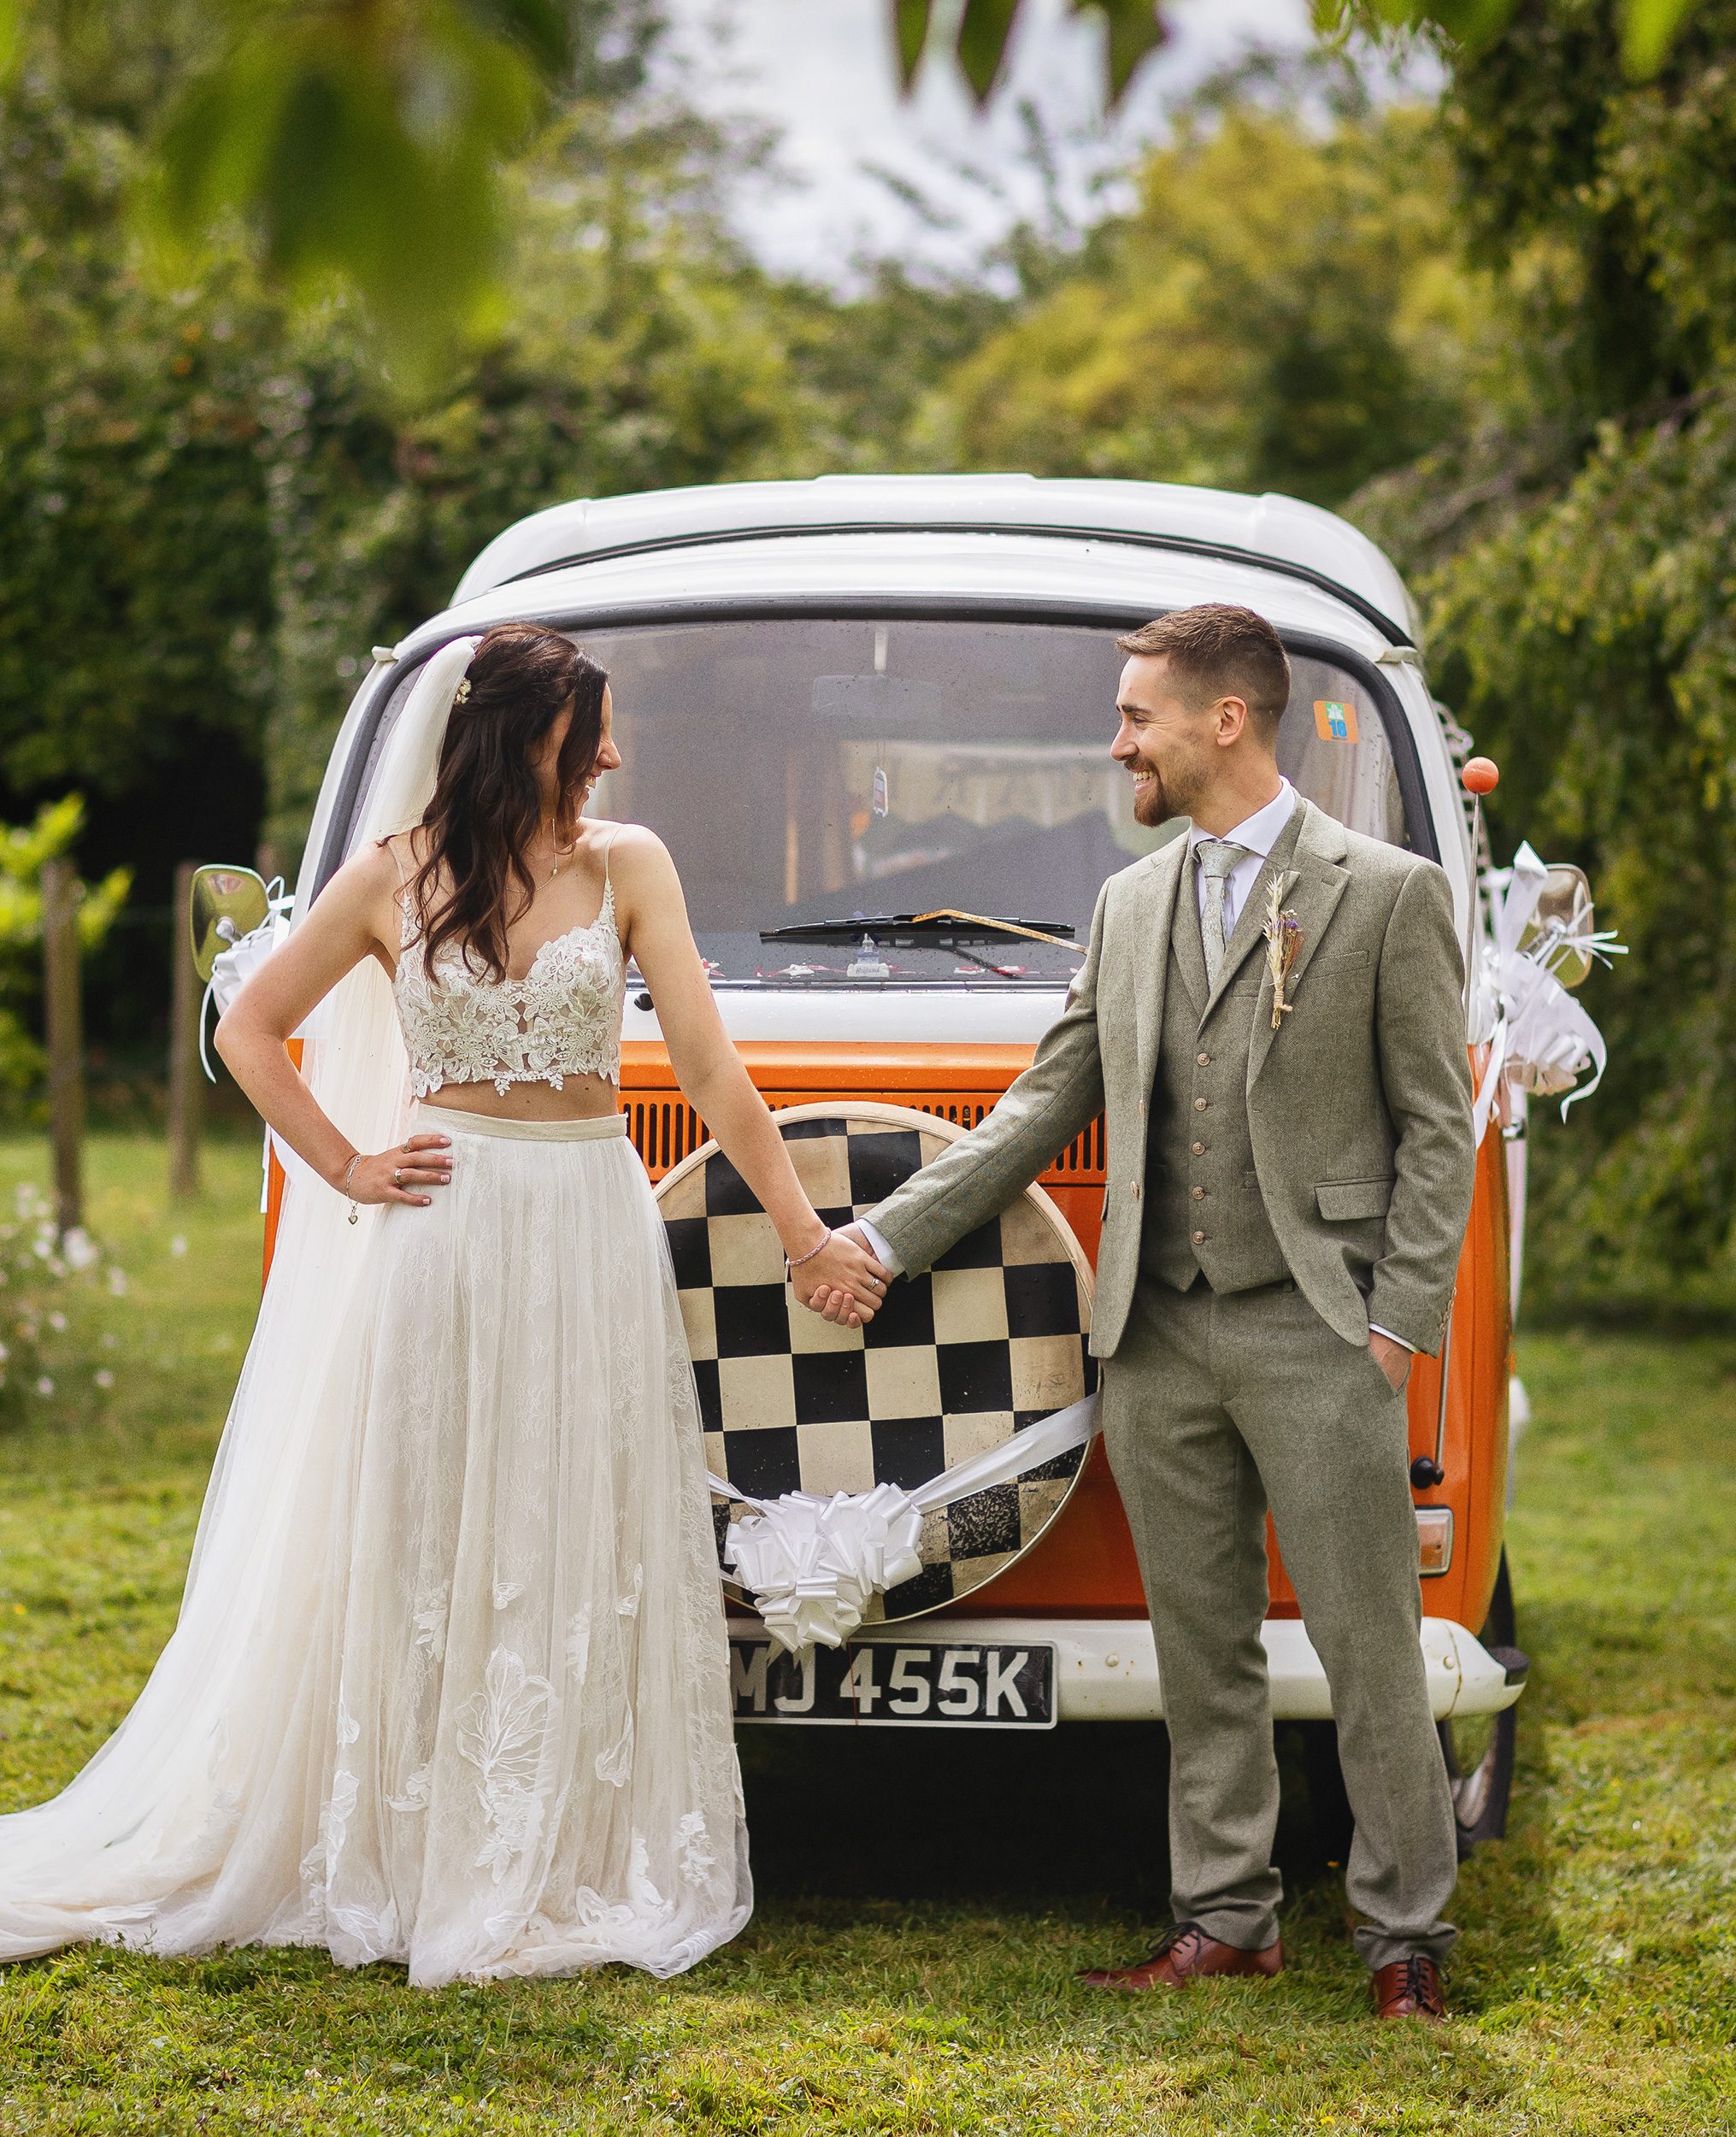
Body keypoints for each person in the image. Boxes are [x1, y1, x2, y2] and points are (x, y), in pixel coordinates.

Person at [0, 621, 886, 1987]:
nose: (609, 751)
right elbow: (247, 1028)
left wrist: (804, 1232)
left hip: (590, 1221)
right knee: (432, 1516)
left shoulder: (627, 863)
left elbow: (712, 1070)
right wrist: (347, 1161)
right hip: (450, 1222)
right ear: (520, 732)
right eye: (588, 726)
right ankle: (418, 1844)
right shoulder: (389, 877)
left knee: (569, 1515)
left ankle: (562, 1839)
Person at [815, 603, 1475, 2022]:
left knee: (1369, 1648)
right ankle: (1225, 1917)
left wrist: (1396, 1324)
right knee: (1202, 1648)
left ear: (1221, 721)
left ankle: (1405, 1935)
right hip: (1158, 1337)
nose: (1118, 739)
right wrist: (878, 1235)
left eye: (1137, 716)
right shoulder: (1125, 907)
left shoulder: (1383, 892)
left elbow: (1438, 1129)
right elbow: (1043, 1109)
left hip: (1320, 1327)